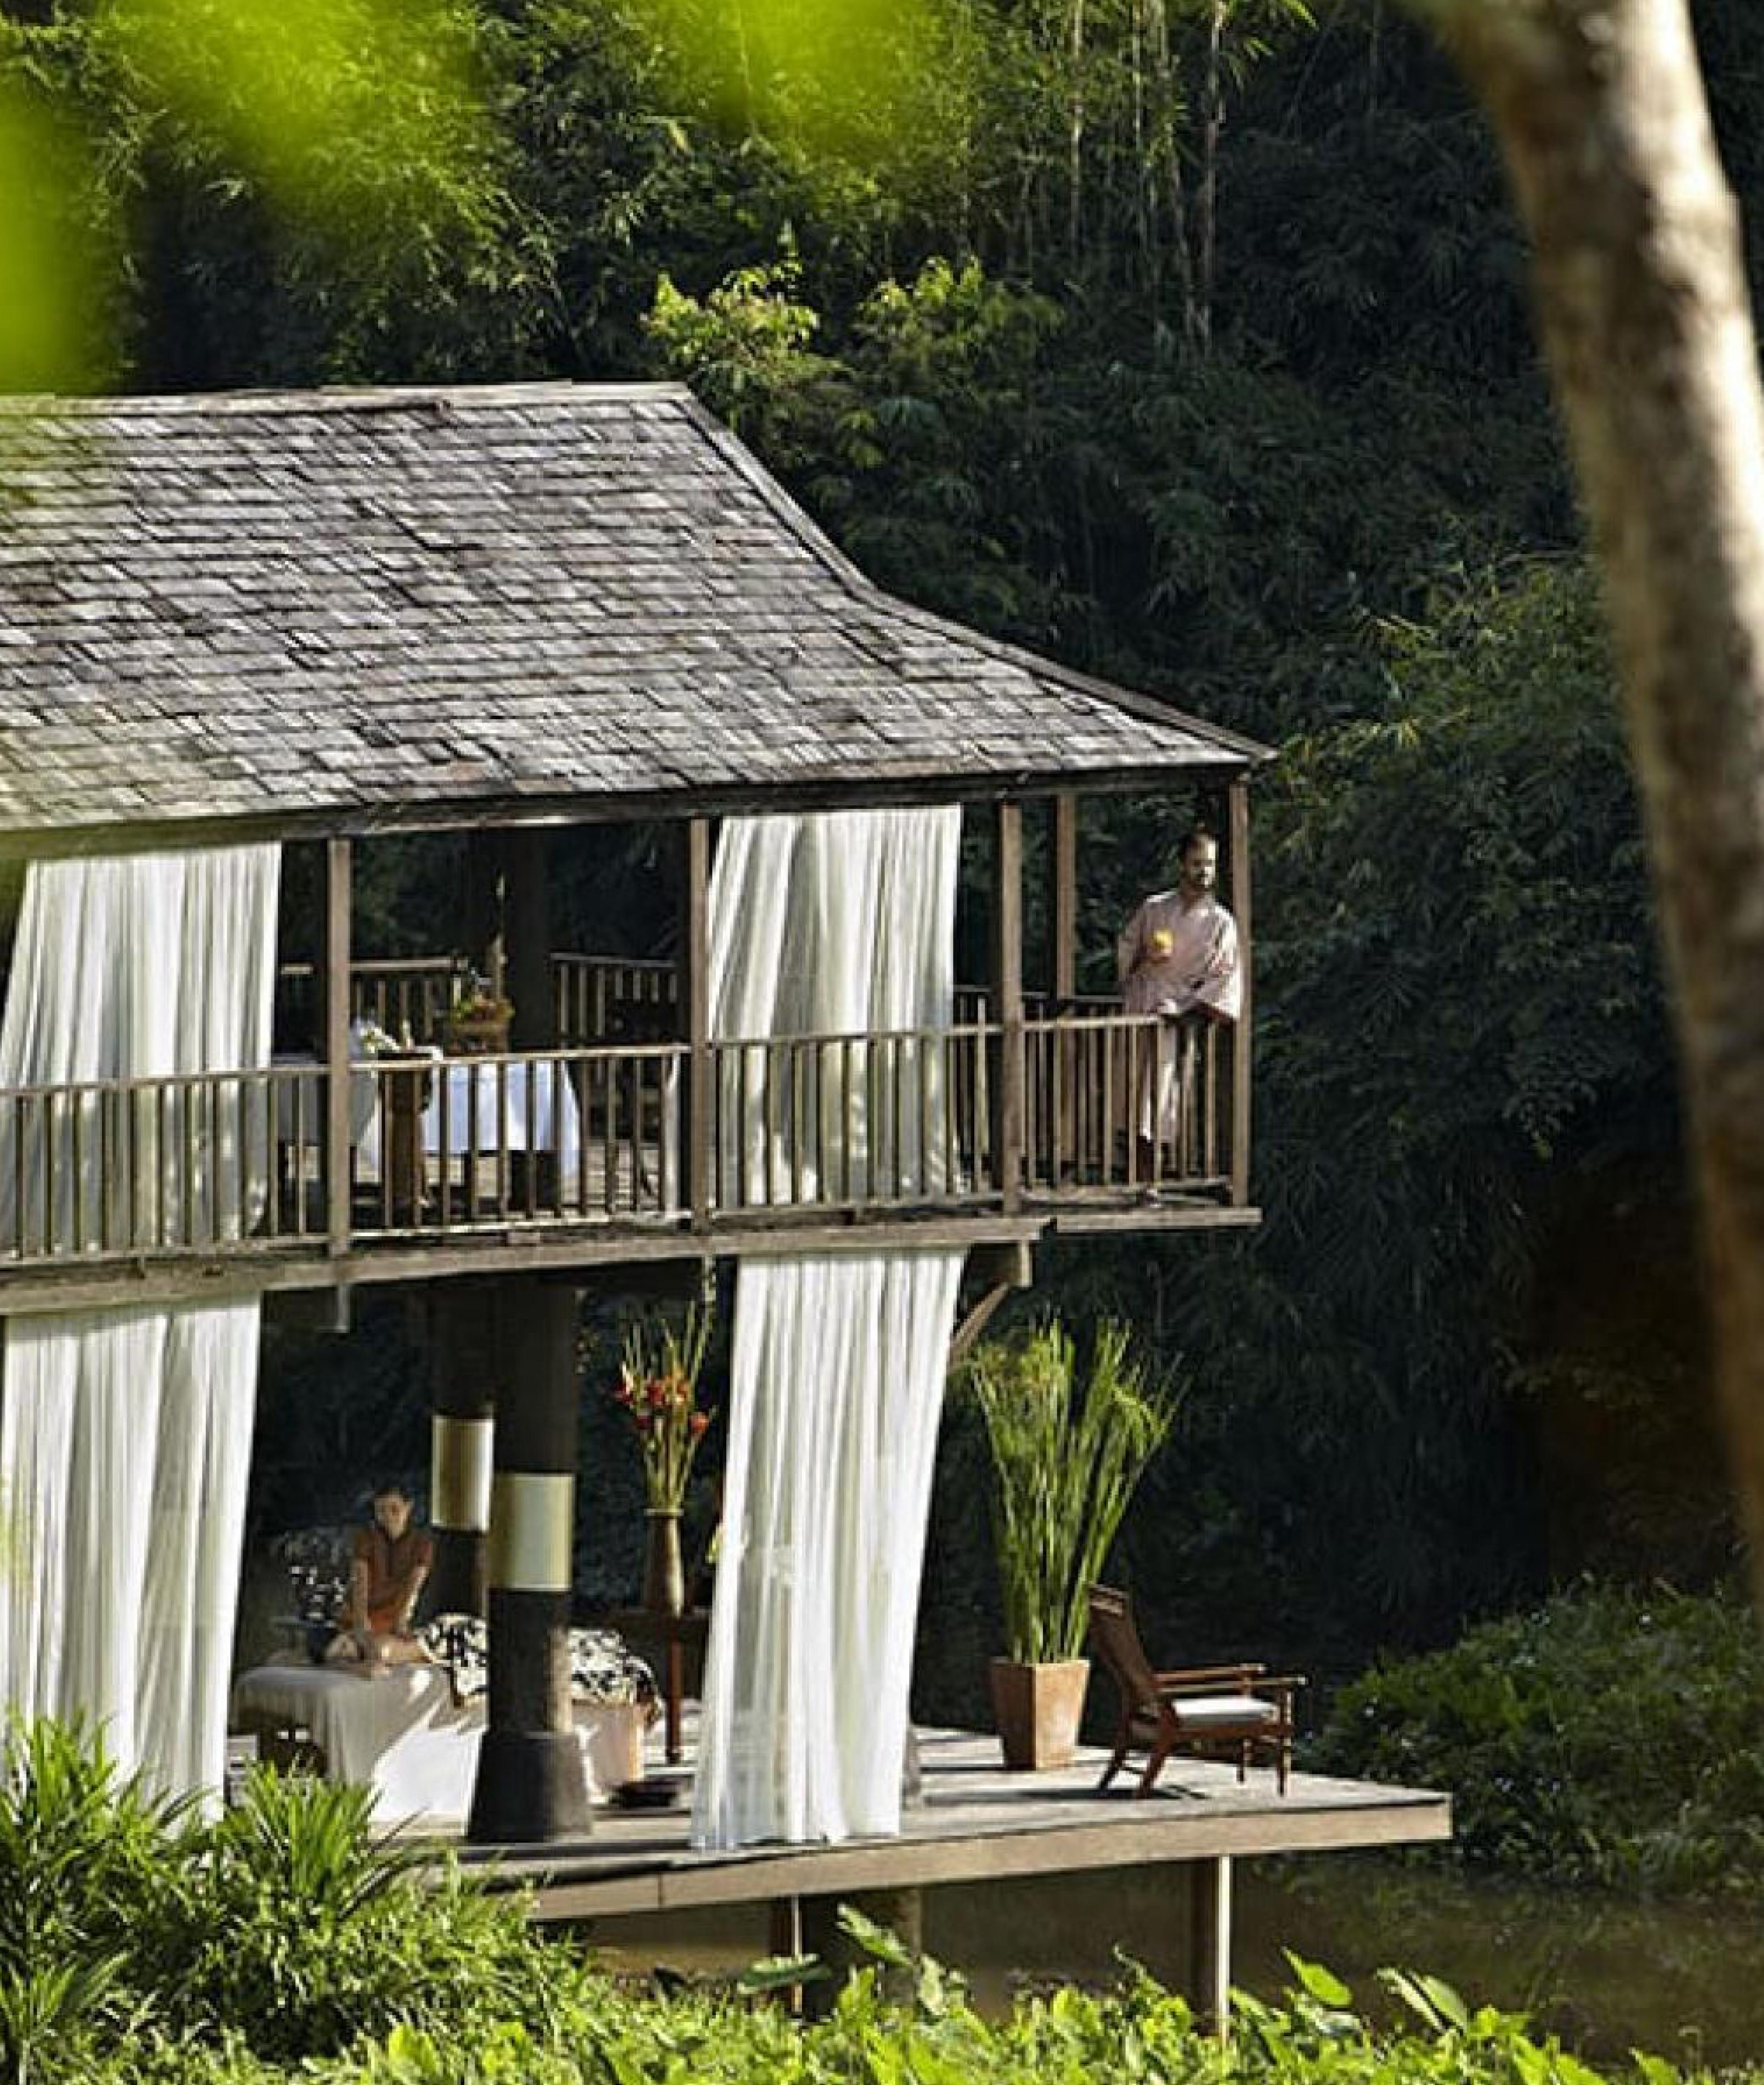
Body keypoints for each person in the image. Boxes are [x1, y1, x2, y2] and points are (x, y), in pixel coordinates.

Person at [1115, 826, 1242, 1177]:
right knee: (1129, 1093)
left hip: (1177, 1014)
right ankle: (1133, 1173)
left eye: (1211, 865)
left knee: (1160, 1099)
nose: (1205, 872)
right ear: (1181, 864)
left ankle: (1153, 1178)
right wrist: (1145, 958)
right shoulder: (1154, 908)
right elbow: (1126, 953)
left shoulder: (1221, 923)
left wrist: (1186, 1008)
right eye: (1198, 863)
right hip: (1143, 1002)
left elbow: (1225, 977)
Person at [326, 1480, 434, 1675]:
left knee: (380, 1650)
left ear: (408, 1508)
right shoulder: (366, 1537)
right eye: (381, 1511)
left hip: (392, 1619)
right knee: (337, 1650)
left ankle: (400, 1654)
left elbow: (413, 1587)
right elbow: (360, 1581)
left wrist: (400, 1624)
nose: (388, 1517)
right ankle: (362, 1664)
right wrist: (361, 1624)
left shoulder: (422, 1543)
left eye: (395, 1509)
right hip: (361, 1617)